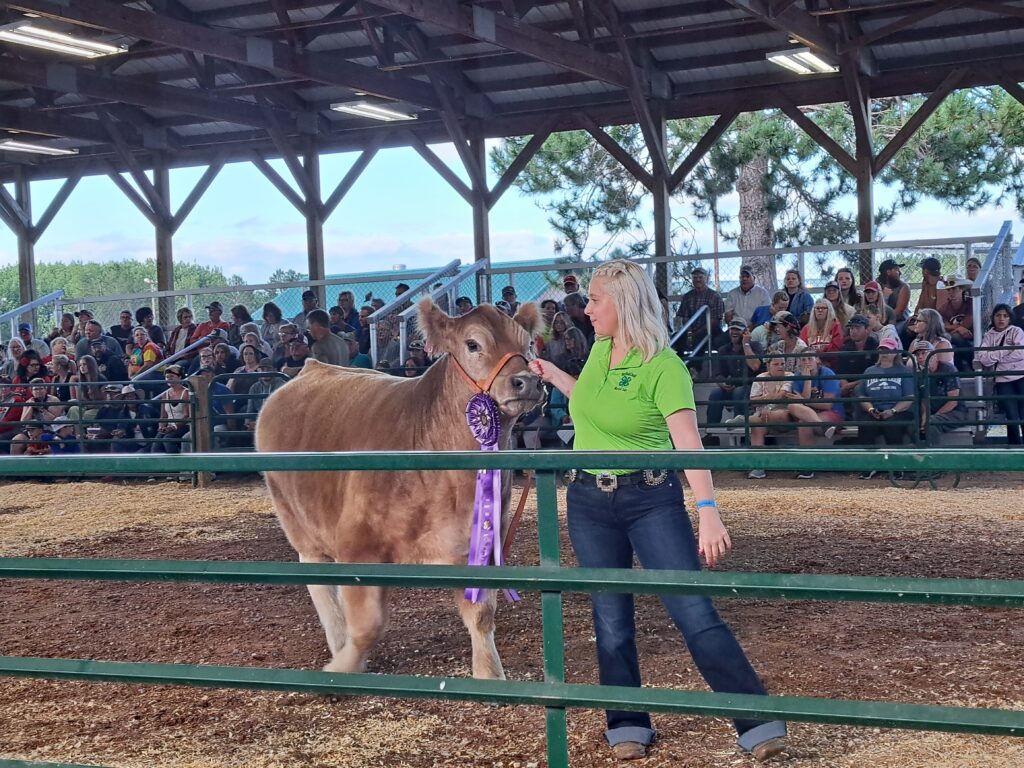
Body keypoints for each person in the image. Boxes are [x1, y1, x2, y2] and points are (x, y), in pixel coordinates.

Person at [526, 258, 786, 763]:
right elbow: (595, 408)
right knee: (610, 619)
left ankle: (755, 719)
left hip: (650, 498)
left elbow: (688, 444)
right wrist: (556, 374)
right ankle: (626, 721)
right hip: (586, 498)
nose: (587, 307)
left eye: (596, 299)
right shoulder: (600, 350)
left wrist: (707, 509)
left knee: (692, 610)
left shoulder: (664, 366)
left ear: (623, 303)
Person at [743, 355, 834, 479]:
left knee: (779, 414)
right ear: (768, 366)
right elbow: (752, 401)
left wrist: (765, 404)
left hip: (783, 414)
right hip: (763, 415)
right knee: (754, 422)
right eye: (776, 364)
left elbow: (782, 396)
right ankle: (758, 466)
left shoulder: (790, 376)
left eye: (782, 364)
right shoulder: (760, 377)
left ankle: (744, 418)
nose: (780, 367)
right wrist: (766, 401)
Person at [855, 338, 916, 475]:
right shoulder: (869, 371)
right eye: (881, 350)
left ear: (895, 353)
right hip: (874, 409)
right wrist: (870, 409)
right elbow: (862, 396)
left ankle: (896, 466)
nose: (884, 353)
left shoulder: (904, 371)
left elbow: (908, 398)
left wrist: (893, 410)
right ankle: (868, 465)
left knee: (893, 425)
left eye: (888, 350)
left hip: (898, 410)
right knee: (865, 423)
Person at [975, 303, 1024, 446]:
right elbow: (983, 357)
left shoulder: (1017, 331)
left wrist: (996, 354)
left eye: (1005, 316)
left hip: (1021, 376)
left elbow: (1021, 352)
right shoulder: (989, 335)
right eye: (998, 315)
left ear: (1010, 318)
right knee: (1011, 415)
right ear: (993, 318)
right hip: (1002, 379)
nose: (1001, 319)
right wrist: (1006, 351)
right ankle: (1015, 447)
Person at [707, 318, 763, 426]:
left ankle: (741, 432)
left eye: (738, 329)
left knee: (739, 393)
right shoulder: (724, 350)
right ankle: (711, 433)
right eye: (732, 329)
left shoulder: (755, 346)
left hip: (753, 386)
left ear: (745, 332)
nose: (734, 332)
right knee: (716, 394)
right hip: (733, 385)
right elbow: (718, 373)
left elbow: (755, 366)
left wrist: (746, 344)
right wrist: (722, 383)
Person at [910, 339, 967, 445]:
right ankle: (919, 456)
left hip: (955, 412)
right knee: (912, 425)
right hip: (932, 412)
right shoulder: (921, 375)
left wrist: (932, 417)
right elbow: (923, 400)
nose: (920, 357)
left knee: (932, 423)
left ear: (934, 354)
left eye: (923, 353)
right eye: (917, 355)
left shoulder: (948, 369)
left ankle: (934, 456)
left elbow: (953, 401)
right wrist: (924, 417)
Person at [674, 266, 724, 351]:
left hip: (710, 330)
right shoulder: (687, 297)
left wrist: (697, 333)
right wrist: (690, 333)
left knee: (700, 342)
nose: (698, 280)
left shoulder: (715, 296)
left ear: (706, 279)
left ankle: (696, 364)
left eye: (700, 277)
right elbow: (685, 318)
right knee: (675, 339)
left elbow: (715, 320)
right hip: (690, 331)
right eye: (695, 277)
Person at [152, 365, 191, 454]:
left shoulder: (186, 393)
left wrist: (174, 427)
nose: (169, 378)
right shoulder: (165, 395)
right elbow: (163, 415)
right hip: (169, 426)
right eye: (167, 377)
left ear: (180, 377)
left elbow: (186, 415)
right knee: (155, 445)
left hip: (183, 426)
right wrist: (161, 427)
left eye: (172, 376)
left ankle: (176, 465)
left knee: (168, 440)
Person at [799, 299, 843, 365]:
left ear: (829, 311)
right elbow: (802, 348)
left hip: (831, 364)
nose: (820, 310)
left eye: (823, 308)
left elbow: (836, 348)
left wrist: (818, 354)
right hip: (810, 364)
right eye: (817, 308)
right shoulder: (806, 328)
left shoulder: (835, 326)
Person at [878, 259, 911, 323]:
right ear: (888, 272)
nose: (900, 273)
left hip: (899, 321)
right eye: (897, 270)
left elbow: (898, 312)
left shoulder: (904, 287)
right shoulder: (877, 285)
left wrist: (884, 324)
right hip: (880, 320)